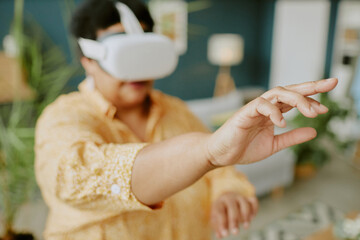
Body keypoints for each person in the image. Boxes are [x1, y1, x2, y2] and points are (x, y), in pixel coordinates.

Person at [34, 0, 338, 239]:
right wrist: (208, 151)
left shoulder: (176, 110)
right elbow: (75, 176)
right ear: (87, 59)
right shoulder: (63, 118)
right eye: (124, 52)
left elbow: (220, 172)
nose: (138, 69)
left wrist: (227, 191)